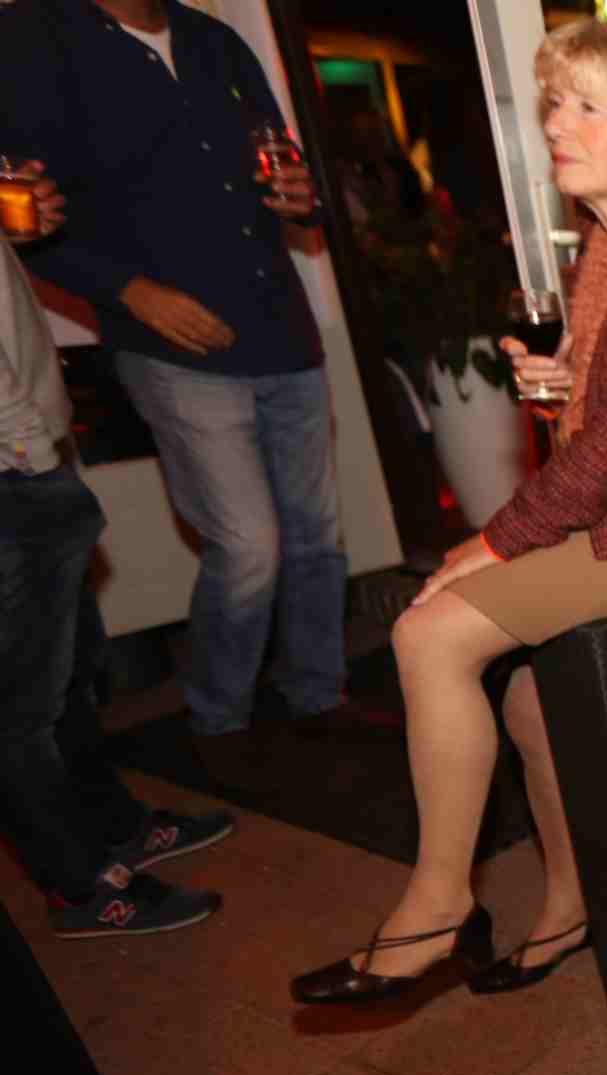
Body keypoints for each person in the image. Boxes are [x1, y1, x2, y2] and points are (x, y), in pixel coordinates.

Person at [291, 19, 607, 1005]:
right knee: (529, 697)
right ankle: (569, 904)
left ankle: (438, 908)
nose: (557, 123)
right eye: (555, 102)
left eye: (588, 105)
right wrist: (570, 384)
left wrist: (496, 538)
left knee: (428, 633)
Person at [0, 0, 351, 793]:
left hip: (282, 327)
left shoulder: (213, 39)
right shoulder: (34, 38)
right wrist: (129, 292)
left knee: (317, 538)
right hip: (173, 344)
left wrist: (306, 196)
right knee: (250, 545)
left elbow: (284, 159)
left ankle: (318, 693)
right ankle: (219, 716)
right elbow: (19, 208)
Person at [2, 162, 231, 938]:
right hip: (12, 472)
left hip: (25, 459)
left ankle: (111, 828)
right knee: (20, 710)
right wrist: (33, 457)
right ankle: (79, 885)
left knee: (65, 677)